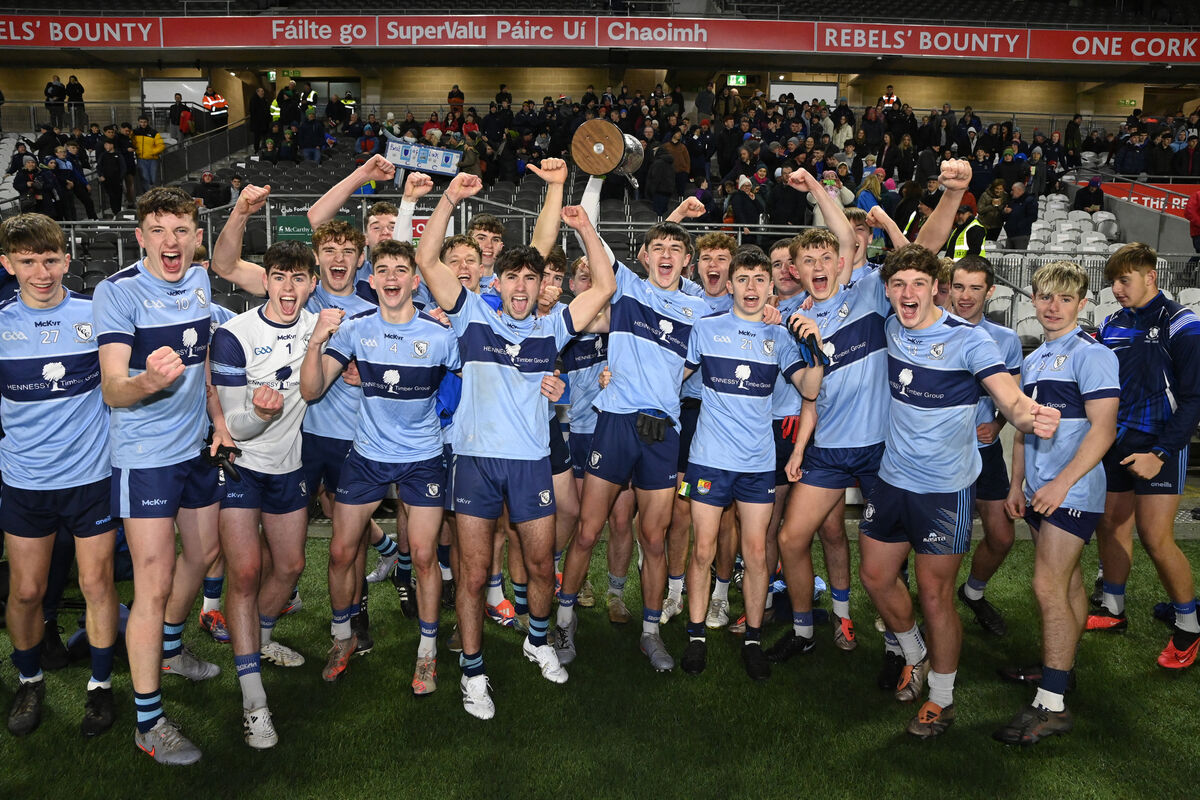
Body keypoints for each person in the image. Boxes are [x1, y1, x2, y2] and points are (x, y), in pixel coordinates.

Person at [415, 172, 616, 719]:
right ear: (496, 283)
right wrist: (450, 198)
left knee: (541, 569)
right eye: (513, 278)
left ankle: (537, 639)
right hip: (476, 463)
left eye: (532, 278)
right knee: (476, 574)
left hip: (531, 466)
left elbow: (604, 288)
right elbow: (428, 258)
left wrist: (586, 232)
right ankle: (473, 671)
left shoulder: (552, 328)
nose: (522, 287)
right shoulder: (471, 313)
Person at [857, 242, 1060, 740]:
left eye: (919, 285)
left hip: (944, 490)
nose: (908, 293)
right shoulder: (888, 328)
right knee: (877, 577)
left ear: (936, 291)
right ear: (889, 292)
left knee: (935, 596)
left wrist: (1024, 414)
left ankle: (942, 702)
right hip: (891, 478)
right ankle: (914, 653)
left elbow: (1007, 395)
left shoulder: (969, 341)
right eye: (899, 285)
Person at [92, 187, 236, 765]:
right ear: (140, 237)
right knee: (151, 586)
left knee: (200, 557)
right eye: (158, 230)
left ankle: (172, 651)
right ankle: (148, 723)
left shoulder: (200, 282)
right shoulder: (118, 291)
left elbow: (202, 367)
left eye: (180, 230)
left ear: (195, 236)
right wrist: (147, 381)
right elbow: (111, 386)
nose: (170, 242)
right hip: (144, 458)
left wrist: (219, 420)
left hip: (196, 450)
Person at [300, 238, 457, 694]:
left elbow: (479, 379)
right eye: (383, 270)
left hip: (424, 458)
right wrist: (315, 342)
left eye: (400, 270)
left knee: (425, 555)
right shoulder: (354, 330)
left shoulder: (440, 335)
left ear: (415, 280)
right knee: (340, 552)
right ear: (373, 281)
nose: (391, 278)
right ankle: (343, 637)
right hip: (367, 456)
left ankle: (426, 651)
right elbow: (311, 391)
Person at [0, 213, 120, 738]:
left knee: (97, 583)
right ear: (7, 265)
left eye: (50, 260)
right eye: (27, 261)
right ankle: (29, 678)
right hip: (25, 482)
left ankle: (100, 686)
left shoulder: (97, 315)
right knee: (26, 592)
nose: (41, 272)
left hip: (91, 477)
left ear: (66, 259)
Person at [678, 249, 823, 680]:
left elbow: (810, 388)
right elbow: (672, 378)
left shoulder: (780, 337)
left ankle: (754, 639)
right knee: (703, 549)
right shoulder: (705, 329)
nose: (752, 287)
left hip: (758, 463)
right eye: (744, 279)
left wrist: (813, 342)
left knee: (756, 551)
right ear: (732, 283)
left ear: (771, 286)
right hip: (708, 459)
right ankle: (696, 635)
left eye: (761, 279)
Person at [994, 260, 1119, 746]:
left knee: (1047, 587)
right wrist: (1016, 485)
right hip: (1039, 490)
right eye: (1046, 297)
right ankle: (1059, 672)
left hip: (1072, 492)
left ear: (1082, 304)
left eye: (1065, 299)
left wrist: (1062, 485)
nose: (1053, 306)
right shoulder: (1036, 357)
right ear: (1033, 300)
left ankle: (1052, 705)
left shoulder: (1092, 354)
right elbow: (1026, 430)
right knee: (1063, 588)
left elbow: (1104, 431)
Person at [209, 241, 318, 749]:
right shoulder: (235, 334)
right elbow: (234, 425)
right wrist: (261, 414)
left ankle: (264, 637)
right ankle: (254, 700)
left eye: (299, 278)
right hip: (239, 466)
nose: (288, 288)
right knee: (246, 572)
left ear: (312, 283)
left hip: (288, 465)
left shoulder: (321, 328)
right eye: (279, 276)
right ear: (264, 280)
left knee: (291, 566)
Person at [1088, 243, 1200, 670]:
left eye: (1124, 280)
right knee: (1111, 522)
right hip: (1117, 442)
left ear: (1150, 275)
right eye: (1113, 281)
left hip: (1160, 445)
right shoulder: (1112, 323)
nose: (1116, 289)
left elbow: (1193, 400)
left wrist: (1160, 451)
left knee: (1155, 538)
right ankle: (1113, 608)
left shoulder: (1182, 323)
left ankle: (1188, 627)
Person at [948, 257, 1023, 636]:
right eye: (959, 286)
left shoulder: (1005, 339)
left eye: (975, 288)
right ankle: (930, 603)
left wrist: (996, 424)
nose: (965, 296)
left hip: (984, 452)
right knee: (944, 538)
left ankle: (973, 594)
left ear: (989, 291)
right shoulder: (932, 331)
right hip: (942, 454)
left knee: (1002, 536)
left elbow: (1013, 398)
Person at [131, 116, 165, 191]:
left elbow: (161, 145)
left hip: (153, 159)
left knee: (153, 179)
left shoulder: (154, 132)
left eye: (145, 122)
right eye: (141, 122)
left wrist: (152, 152)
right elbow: (131, 142)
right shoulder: (134, 132)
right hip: (141, 159)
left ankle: (154, 194)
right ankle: (147, 195)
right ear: (138, 122)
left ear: (148, 122)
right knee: (145, 178)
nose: (143, 124)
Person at [1002, 182, 1037, 250]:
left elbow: (1033, 217)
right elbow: (1005, 217)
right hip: (1010, 234)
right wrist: (1005, 212)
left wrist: (1019, 225)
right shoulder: (1012, 201)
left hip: (1021, 235)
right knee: (1007, 258)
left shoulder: (1030, 200)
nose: (1011, 192)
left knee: (1019, 257)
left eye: (1013, 190)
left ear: (1019, 190)